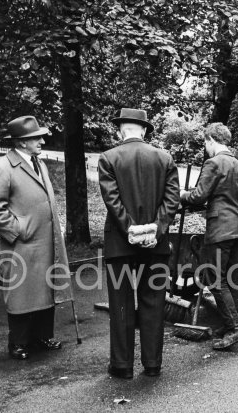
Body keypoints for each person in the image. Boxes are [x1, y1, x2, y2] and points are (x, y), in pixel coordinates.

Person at [98, 108, 180, 379]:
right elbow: (172, 201)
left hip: (120, 244)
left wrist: (131, 229)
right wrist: (155, 229)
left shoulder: (108, 158)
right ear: (143, 130)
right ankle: (153, 364)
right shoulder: (164, 158)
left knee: (120, 304)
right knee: (153, 303)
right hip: (156, 245)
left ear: (121, 130)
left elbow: (112, 201)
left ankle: (122, 366)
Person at [0, 115, 68, 360]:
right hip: (22, 243)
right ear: (21, 142)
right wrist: (18, 230)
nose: (41, 141)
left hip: (46, 240)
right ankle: (19, 343)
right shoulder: (2, 167)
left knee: (46, 288)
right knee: (21, 291)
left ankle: (42, 336)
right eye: (35, 138)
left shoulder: (38, 163)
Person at [180, 122, 238, 350]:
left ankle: (236, 327)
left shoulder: (213, 163)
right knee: (233, 279)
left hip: (220, 229)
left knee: (215, 279)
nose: (205, 147)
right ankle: (231, 325)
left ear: (211, 140)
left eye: (205, 143)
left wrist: (183, 194)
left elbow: (199, 197)